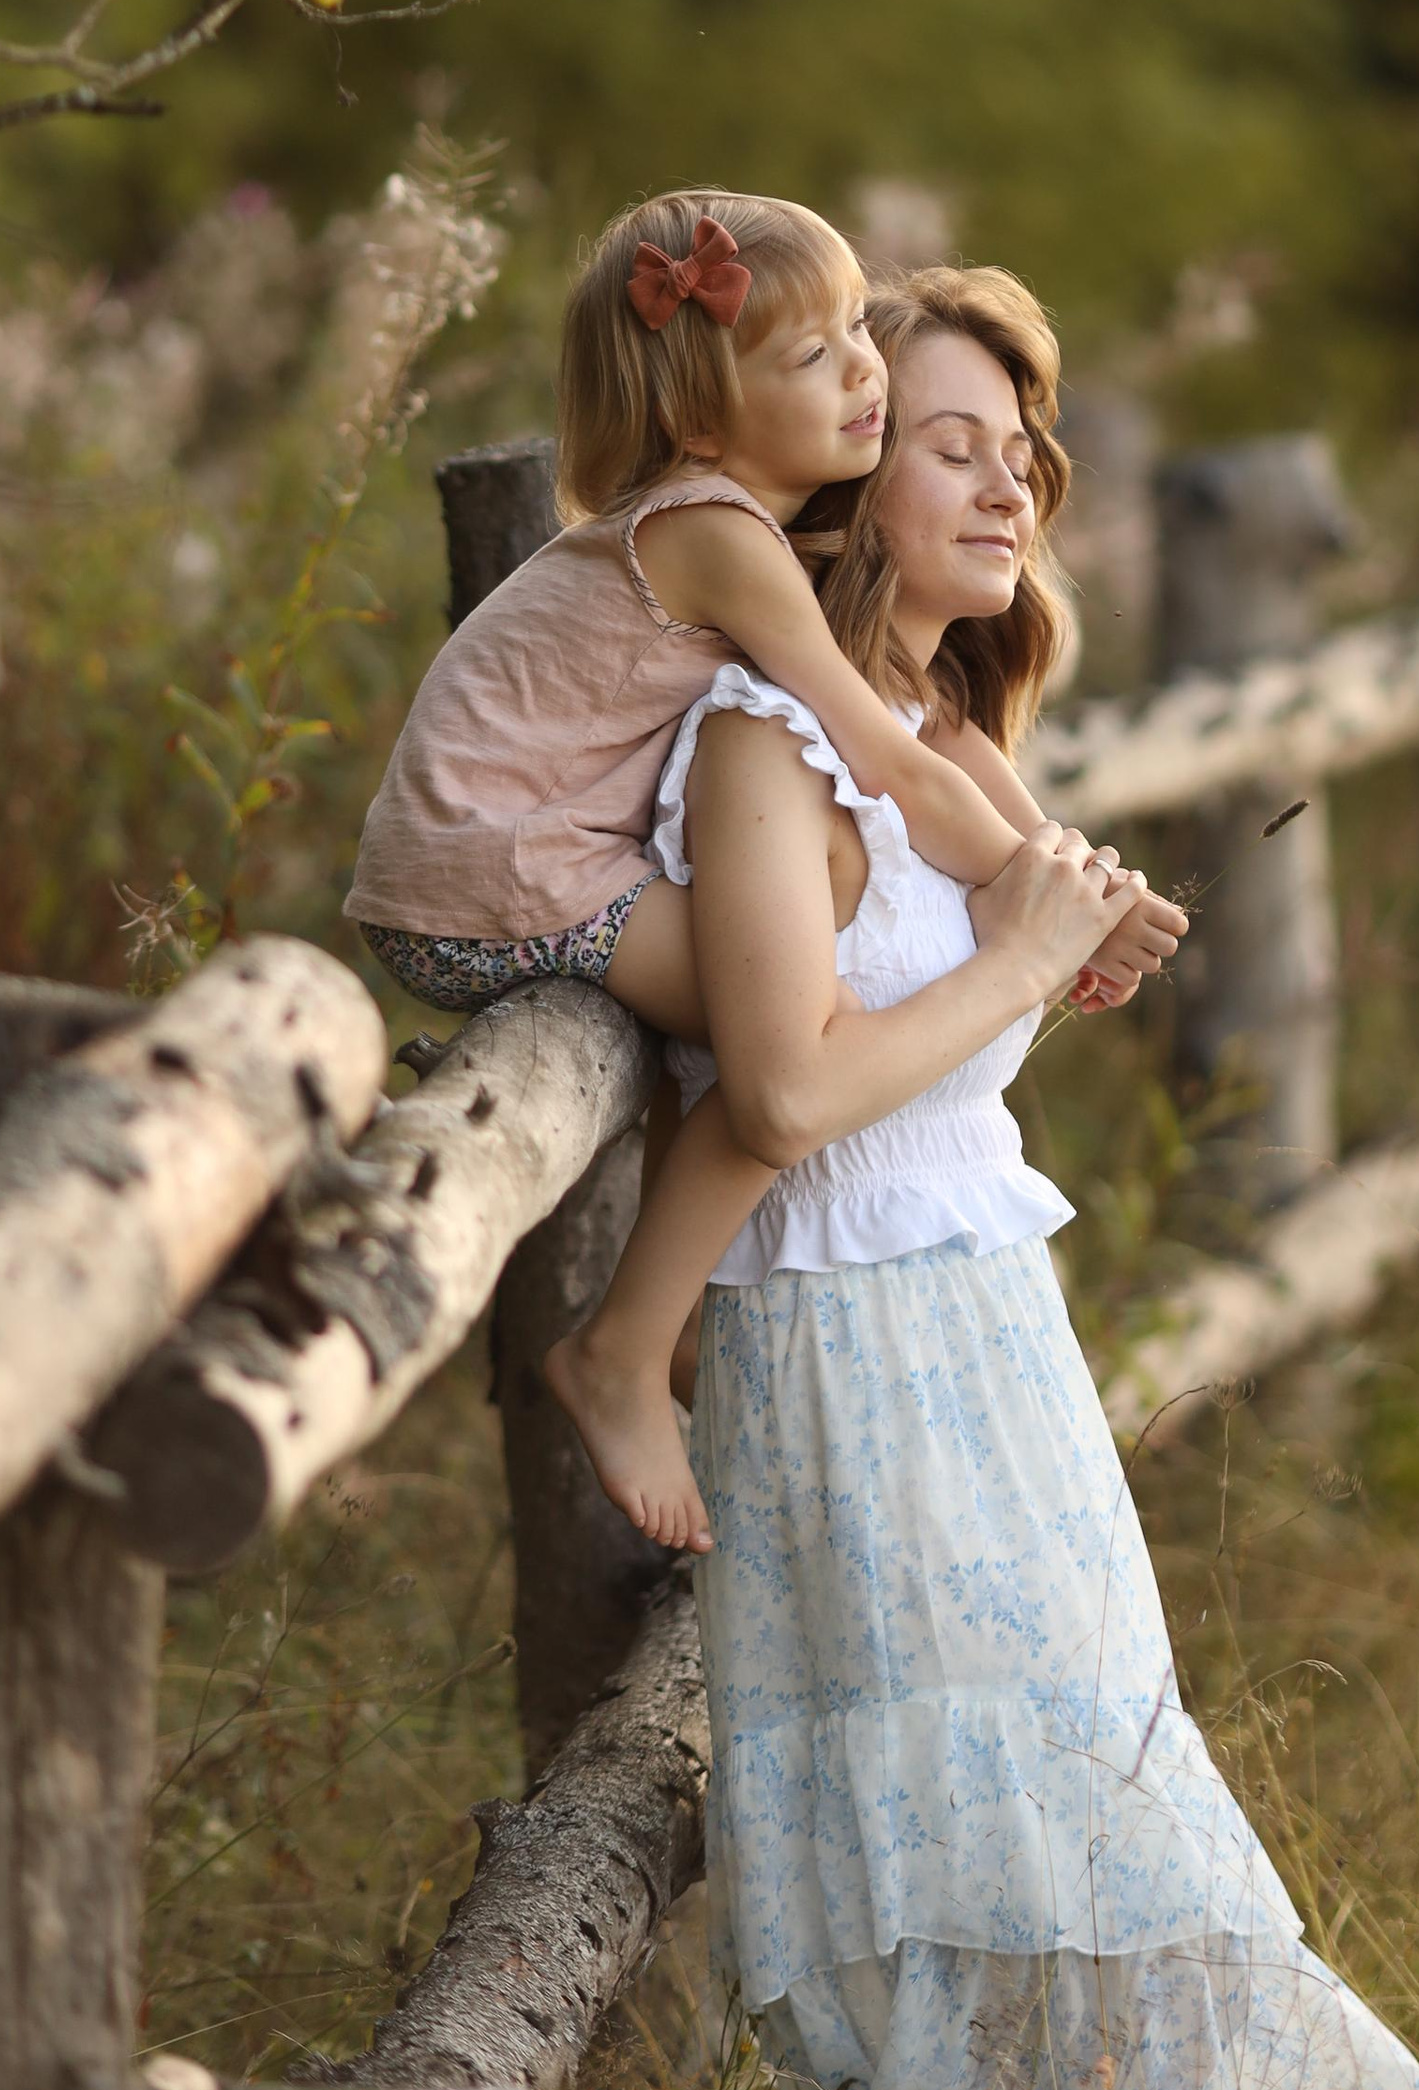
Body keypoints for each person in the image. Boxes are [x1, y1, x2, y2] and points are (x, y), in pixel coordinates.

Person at [660, 265, 1419, 2090]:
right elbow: (787, 1083)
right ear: (834, 482)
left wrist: (1047, 930)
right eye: (945, 436)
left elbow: (965, 993)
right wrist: (1013, 953)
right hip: (862, 1387)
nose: (1007, 471)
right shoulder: (760, 747)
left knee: (1114, 1995)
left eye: (1022, 439)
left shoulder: (946, 746)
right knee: (1009, 2006)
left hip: (1006, 1382)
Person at [347, 184, 1183, 1558]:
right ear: (699, 417)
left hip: (489, 870)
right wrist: (1061, 922)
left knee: (764, 1021)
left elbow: (951, 762)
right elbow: (900, 769)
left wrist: (1063, 899)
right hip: (493, 884)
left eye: (862, 334)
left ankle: (657, 1337)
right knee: (792, 1041)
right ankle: (626, 1346)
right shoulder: (722, 536)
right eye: (819, 354)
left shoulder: (731, 543)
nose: (863, 371)